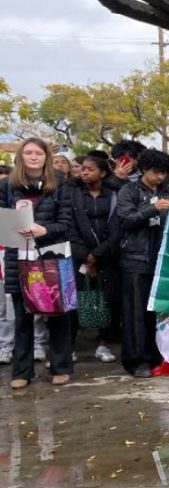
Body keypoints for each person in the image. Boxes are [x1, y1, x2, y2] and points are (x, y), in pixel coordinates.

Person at [3, 138, 73, 388]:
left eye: (38, 153)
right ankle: (21, 371)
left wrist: (44, 229)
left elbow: (66, 223)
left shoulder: (61, 183)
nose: (33, 157)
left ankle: (61, 366)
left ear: (46, 156)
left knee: (57, 314)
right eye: (28, 152)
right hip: (18, 257)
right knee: (21, 317)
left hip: (51, 255)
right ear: (21, 156)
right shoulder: (8, 185)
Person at [115, 149, 169, 378]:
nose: (160, 177)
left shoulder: (168, 190)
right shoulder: (129, 190)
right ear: (144, 169)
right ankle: (137, 360)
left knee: (158, 311)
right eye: (155, 172)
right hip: (135, 258)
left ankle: (157, 356)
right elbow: (125, 220)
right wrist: (153, 208)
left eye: (164, 173)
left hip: (162, 258)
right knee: (135, 312)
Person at [64, 154, 124, 365]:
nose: (85, 172)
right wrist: (86, 256)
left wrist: (98, 254)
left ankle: (103, 344)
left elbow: (118, 229)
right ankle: (69, 348)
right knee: (74, 301)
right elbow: (68, 226)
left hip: (108, 256)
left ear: (103, 173)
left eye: (90, 169)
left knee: (107, 300)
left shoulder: (115, 195)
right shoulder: (72, 194)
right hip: (79, 255)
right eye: (83, 169)